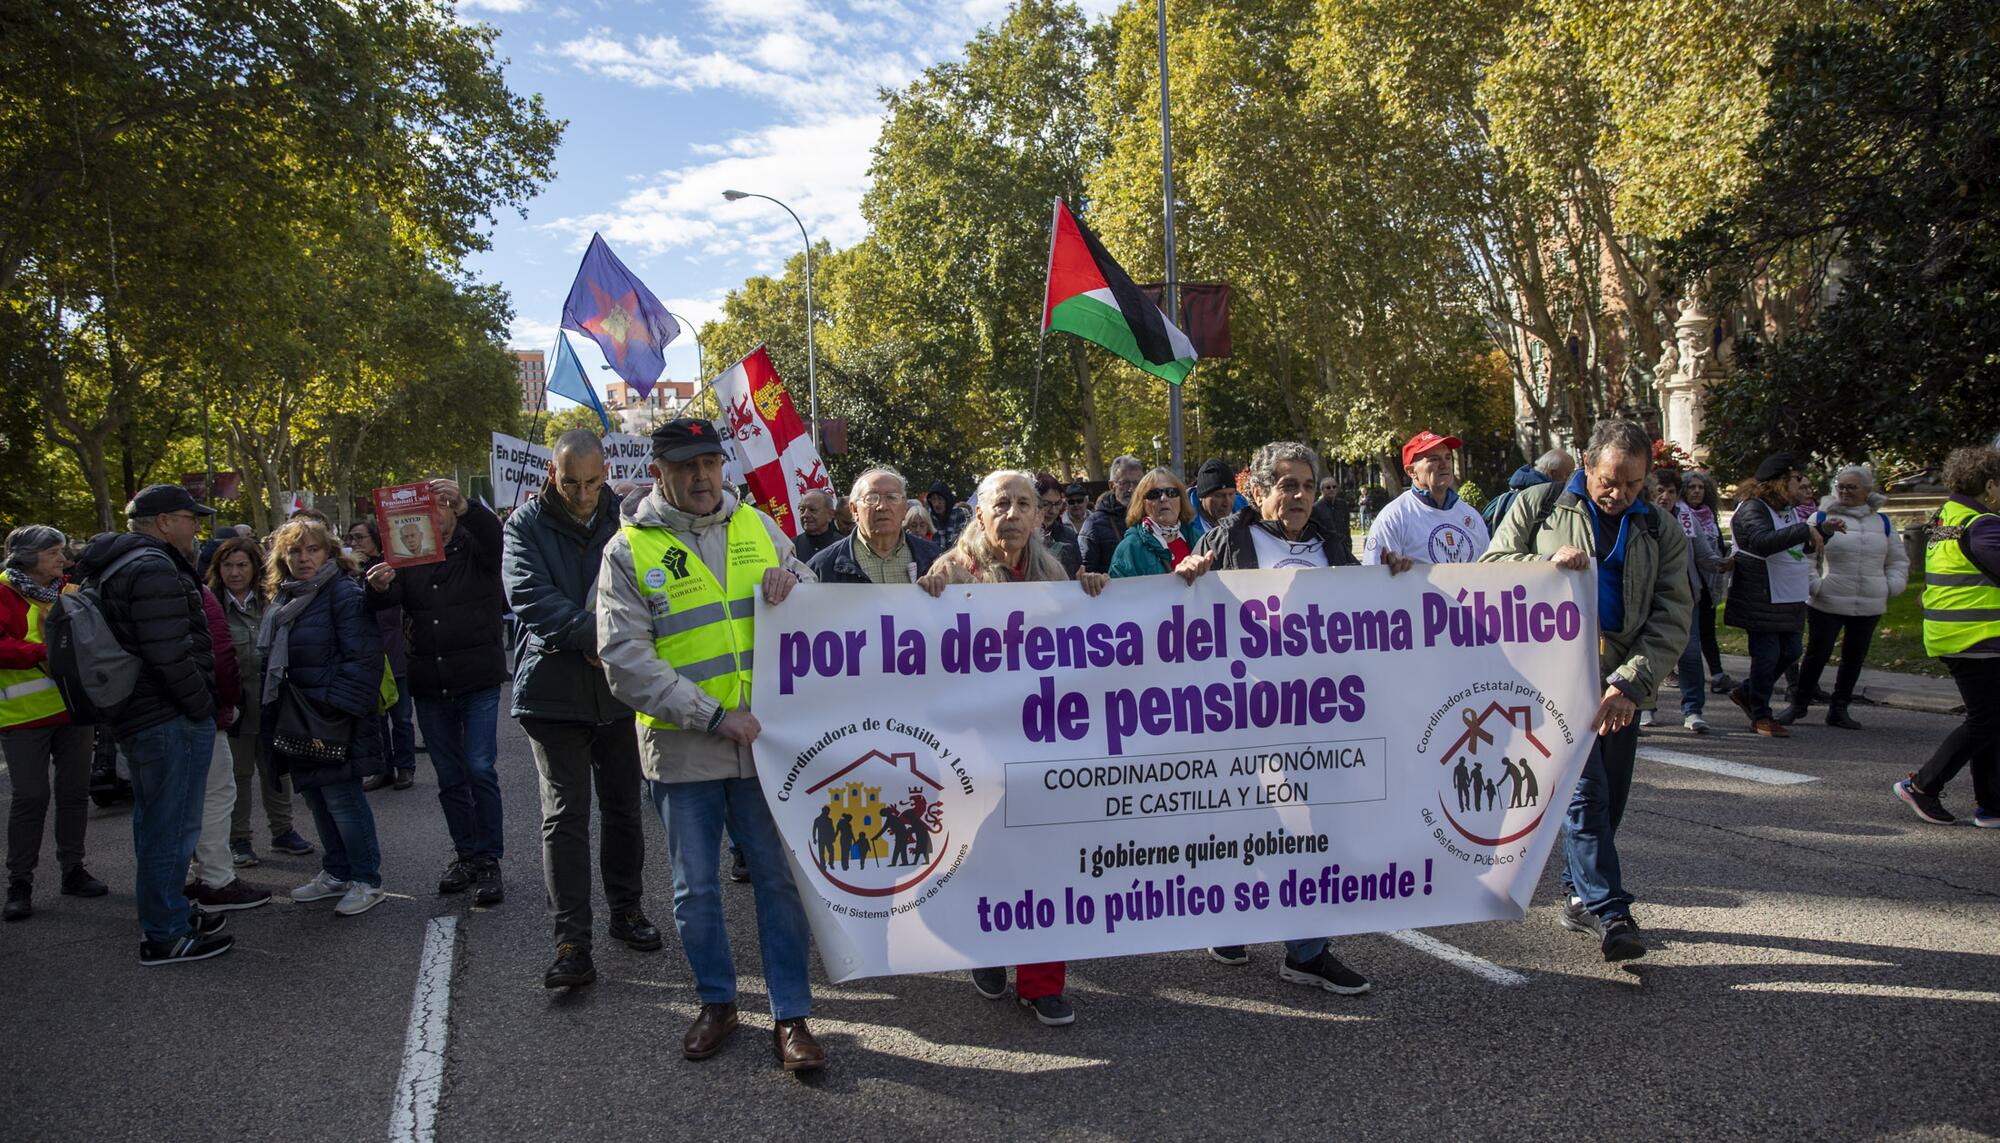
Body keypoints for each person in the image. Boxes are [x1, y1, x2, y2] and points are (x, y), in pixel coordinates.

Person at [597, 418, 825, 1071]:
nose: (701, 477)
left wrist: (796, 589)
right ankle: (718, 1002)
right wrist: (711, 714)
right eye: (686, 465)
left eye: (710, 463)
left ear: (723, 465)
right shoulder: (628, 549)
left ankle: (791, 1016)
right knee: (695, 889)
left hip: (766, 747)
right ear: (660, 471)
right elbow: (624, 659)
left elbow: (819, 606)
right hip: (685, 747)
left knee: (778, 884)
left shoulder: (759, 526)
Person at [1175, 442, 1402, 989]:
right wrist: (1185, 575)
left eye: (1305, 485)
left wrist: (1395, 578)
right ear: (1256, 491)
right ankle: (1231, 916)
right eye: (1284, 485)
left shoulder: (1331, 544)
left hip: (1319, 718)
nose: (1297, 495)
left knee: (1320, 830)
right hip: (1242, 715)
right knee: (1245, 824)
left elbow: (1364, 613)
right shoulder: (1227, 540)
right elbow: (1180, 615)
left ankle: (1306, 951)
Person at [1484, 420, 1691, 962]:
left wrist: (1630, 682)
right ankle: (1611, 910)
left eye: (1633, 483)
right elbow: (1491, 568)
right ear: (1585, 464)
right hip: (1550, 684)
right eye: (1609, 480)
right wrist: (1544, 565)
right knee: (1586, 797)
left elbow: (1672, 616)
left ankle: (1579, 895)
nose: (1619, 493)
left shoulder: (1660, 529)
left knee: (1609, 802)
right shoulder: (1539, 504)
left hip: (1619, 688)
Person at [918, 469, 1109, 1026]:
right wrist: (924, 601)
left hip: (1041, 742)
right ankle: (987, 945)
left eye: (1025, 504)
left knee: (1045, 856)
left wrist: (1092, 592)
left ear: (1039, 515)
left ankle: (1041, 981)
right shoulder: (949, 573)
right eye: (1002, 504)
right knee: (982, 854)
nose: (1014, 514)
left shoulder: (1055, 573)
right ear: (980, 513)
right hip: (973, 746)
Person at [504, 430, 662, 989]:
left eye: (593, 482)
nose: (583, 493)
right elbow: (529, 597)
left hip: (619, 695)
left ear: (605, 473)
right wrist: (598, 639)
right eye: (571, 482)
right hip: (553, 694)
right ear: (553, 474)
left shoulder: (626, 519)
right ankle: (571, 940)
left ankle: (627, 911)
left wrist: (627, 643)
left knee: (623, 809)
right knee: (565, 817)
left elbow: (652, 585)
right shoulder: (522, 526)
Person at [73, 485, 231, 964]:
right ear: (163, 522)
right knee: (171, 827)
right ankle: (165, 932)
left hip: (140, 713)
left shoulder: (117, 564)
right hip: (166, 716)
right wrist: (200, 704)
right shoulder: (152, 567)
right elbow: (169, 653)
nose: (197, 528)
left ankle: (170, 915)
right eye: (189, 518)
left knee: (156, 823)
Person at [365, 478, 508, 906]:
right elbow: (385, 604)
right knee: (449, 777)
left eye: (445, 504)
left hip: (477, 680)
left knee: (480, 768)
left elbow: (495, 539)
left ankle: (490, 861)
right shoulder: (407, 556)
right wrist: (377, 586)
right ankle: (466, 855)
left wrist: (469, 506)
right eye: (432, 506)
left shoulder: (476, 547)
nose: (437, 512)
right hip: (430, 683)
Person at [259, 518, 388, 917]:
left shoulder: (343, 594)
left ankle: (367, 880)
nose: (303, 558)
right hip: (298, 716)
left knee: (343, 800)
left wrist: (333, 709)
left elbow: (363, 659)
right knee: (316, 799)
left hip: (331, 718)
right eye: (294, 551)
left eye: (312, 549)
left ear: (329, 552)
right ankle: (336, 872)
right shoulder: (285, 597)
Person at [1, 526, 108, 921]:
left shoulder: (70, 591)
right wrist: (43, 653)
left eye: (62, 552)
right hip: (24, 716)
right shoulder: (3, 591)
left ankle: (73, 869)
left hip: (74, 710)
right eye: (54, 553)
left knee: (74, 793)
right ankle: (20, 881)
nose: (63, 560)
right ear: (28, 557)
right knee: (30, 797)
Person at [1894, 445, 2000, 828]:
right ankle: (1923, 786)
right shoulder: (1983, 524)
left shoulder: (1946, 517)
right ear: (1990, 485)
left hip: (1955, 632)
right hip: (1979, 635)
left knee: (1990, 719)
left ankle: (1991, 804)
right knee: (1986, 720)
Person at [206, 536, 313, 867]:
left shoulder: (272, 601)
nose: (235, 572)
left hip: (271, 703)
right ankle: (239, 839)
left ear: (255, 567)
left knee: (276, 771)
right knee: (237, 775)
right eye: (227, 565)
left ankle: (282, 831)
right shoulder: (209, 605)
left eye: (242, 565)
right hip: (233, 706)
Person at [1724, 454, 1845, 737]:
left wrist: (1822, 532)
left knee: (1791, 651)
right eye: (1796, 478)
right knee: (1767, 656)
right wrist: (1806, 529)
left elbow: (1793, 549)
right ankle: (1760, 715)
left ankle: (1747, 692)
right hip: (1762, 595)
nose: (1803, 483)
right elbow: (1762, 543)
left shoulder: (1786, 510)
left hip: (1787, 594)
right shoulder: (1754, 508)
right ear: (1779, 482)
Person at [1780, 466, 1909, 729]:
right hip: (1828, 599)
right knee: (1817, 654)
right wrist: (1815, 585)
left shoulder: (1882, 522)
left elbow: (1897, 560)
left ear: (1867, 491)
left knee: (1855, 657)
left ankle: (1839, 709)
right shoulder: (1820, 517)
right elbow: (1804, 556)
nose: (1845, 491)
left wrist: (1891, 586)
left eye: (1852, 487)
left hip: (1869, 602)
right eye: (1841, 486)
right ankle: (1799, 704)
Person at [186, 567, 269, 914]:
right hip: (196, 711)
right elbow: (222, 655)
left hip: (147, 715)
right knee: (216, 794)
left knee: (173, 802)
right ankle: (217, 881)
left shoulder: (116, 579)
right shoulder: (191, 590)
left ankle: (185, 875)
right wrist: (228, 703)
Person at [347, 519, 416, 791]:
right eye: (351, 538)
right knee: (376, 718)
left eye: (359, 537)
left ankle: (405, 767)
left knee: (401, 716)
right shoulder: (350, 569)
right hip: (367, 651)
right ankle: (383, 769)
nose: (354, 543)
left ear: (375, 537)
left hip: (394, 648)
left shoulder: (392, 564)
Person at [1364, 430, 1490, 566]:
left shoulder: (1472, 517)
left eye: (1448, 457)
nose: (1444, 464)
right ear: (1411, 471)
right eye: (1434, 459)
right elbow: (1373, 579)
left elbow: (1492, 574)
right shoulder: (1393, 518)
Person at [809, 467, 943, 585]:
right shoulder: (822, 566)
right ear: (854, 510)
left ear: (904, 509)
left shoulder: (936, 559)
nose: (882, 506)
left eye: (892, 497)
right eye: (871, 498)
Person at [1653, 475, 1714, 733]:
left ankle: (1693, 710)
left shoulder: (1686, 518)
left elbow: (1703, 553)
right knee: (1649, 654)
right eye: (1659, 491)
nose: (1664, 497)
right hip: (1649, 598)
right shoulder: (1642, 517)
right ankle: (1646, 707)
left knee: (1689, 654)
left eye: (1670, 492)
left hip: (1685, 597)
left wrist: (1719, 563)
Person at [1678, 471, 1737, 694]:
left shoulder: (1709, 516)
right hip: (1690, 581)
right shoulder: (1681, 515)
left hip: (1709, 582)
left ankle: (1717, 674)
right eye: (1691, 487)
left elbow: (1715, 547)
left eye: (1700, 488)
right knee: (1690, 641)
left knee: (1707, 630)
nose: (1696, 491)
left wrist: (1722, 563)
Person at [1109, 467, 1198, 578]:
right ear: (1142, 504)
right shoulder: (1129, 548)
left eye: (1171, 492)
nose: (1163, 498)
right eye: (1154, 494)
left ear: (1181, 499)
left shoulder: (1199, 538)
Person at [1482, 450, 1575, 535]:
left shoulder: (1515, 492)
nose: (1571, 480)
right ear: (1551, 473)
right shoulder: (1541, 499)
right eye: (1568, 474)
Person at [1079, 455, 1144, 574]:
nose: (1131, 489)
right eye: (1124, 483)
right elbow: (1086, 573)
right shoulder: (1094, 524)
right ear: (1111, 485)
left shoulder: (1151, 517)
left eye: (1136, 483)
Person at [1035, 473, 1082, 578]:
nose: (1052, 510)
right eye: (1046, 504)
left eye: (1057, 503)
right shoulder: (1023, 536)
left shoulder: (1069, 535)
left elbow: (1077, 574)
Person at [1190, 459, 1240, 537]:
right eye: (1219, 496)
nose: (1227, 502)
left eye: (1231, 494)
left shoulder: (1246, 513)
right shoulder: (1183, 524)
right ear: (1201, 496)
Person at [791, 489, 839, 564]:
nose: (805, 515)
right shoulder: (791, 547)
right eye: (802, 510)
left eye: (812, 510)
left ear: (830, 514)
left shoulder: (844, 546)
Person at [1315, 474, 1353, 544]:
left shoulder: (1343, 505)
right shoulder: (1316, 508)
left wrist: (1349, 544)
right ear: (1322, 490)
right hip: (1326, 547)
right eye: (1328, 487)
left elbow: (1347, 527)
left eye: (1334, 487)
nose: (1332, 489)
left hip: (1343, 546)